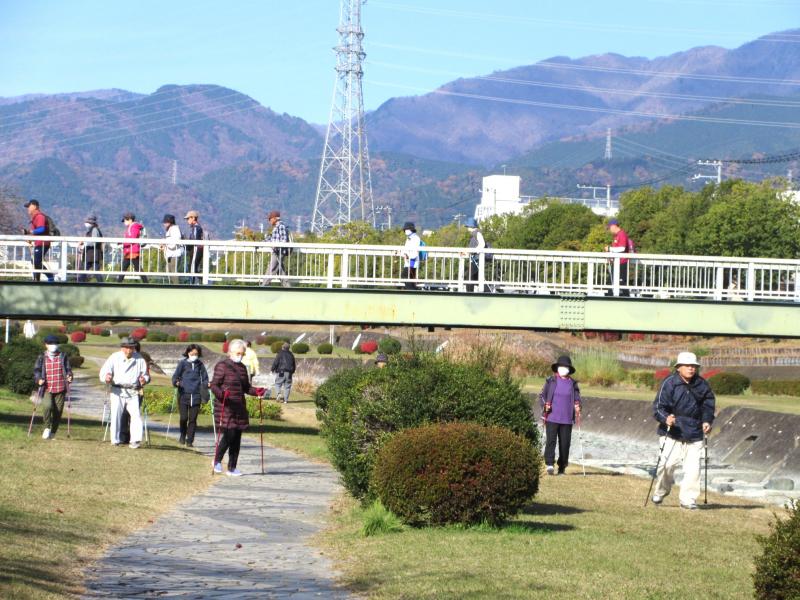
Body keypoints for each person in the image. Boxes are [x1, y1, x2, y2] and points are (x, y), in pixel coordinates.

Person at [651, 351, 716, 510]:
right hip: (672, 432)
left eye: (693, 366)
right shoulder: (669, 383)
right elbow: (658, 407)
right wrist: (666, 418)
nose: (691, 368)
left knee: (693, 470)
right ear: (678, 367)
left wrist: (707, 421)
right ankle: (661, 491)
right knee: (666, 465)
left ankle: (688, 500)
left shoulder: (702, 384)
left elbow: (708, 405)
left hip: (695, 432)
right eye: (687, 365)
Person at [210, 339, 265, 476]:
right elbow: (214, 385)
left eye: (242, 353)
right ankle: (216, 460)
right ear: (230, 352)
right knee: (230, 434)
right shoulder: (222, 366)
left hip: (239, 406)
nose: (240, 355)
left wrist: (257, 391)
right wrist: (222, 394)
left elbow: (246, 388)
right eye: (238, 353)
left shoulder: (242, 368)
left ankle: (232, 467)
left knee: (237, 437)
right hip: (226, 405)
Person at [99, 337, 150, 448]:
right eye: (126, 348)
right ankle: (115, 440)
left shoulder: (140, 359)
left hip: (133, 391)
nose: (128, 350)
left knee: (136, 416)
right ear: (122, 348)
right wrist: (107, 376)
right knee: (116, 415)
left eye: (131, 348)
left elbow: (146, 375)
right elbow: (105, 371)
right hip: (117, 391)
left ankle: (135, 440)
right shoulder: (114, 357)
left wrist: (144, 379)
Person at [539, 355, 582, 475]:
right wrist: (545, 405)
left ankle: (562, 467)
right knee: (551, 441)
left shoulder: (573, 384)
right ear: (557, 368)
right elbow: (542, 395)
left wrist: (578, 406)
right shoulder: (551, 381)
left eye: (565, 367)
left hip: (567, 419)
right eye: (561, 366)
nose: (563, 368)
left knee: (565, 444)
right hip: (552, 417)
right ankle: (549, 464)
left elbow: (577, 398)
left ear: (569, 369)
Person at [32, 334, 73, 439]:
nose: (53, 345)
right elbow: (37, 370)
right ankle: (47, 428)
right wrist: (38, 379)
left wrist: (69, 376)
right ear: (46, 345)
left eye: (55, 343)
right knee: (47, 407)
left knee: (58, 411)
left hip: (60, 388)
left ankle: (53, 432)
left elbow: (68, 369)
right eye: (51, 343)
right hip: (46, 388)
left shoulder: (63, 356)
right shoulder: (42, 357)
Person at [172, 344, 209, 447]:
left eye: (196, 354)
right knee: (184, 418)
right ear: (188, 353)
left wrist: (206, 384)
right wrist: (176, 382)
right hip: (184, 394)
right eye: (192, 353)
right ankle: (182, 435)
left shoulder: (200, 364)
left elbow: (205, 378)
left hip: (196, 395)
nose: (194, 355)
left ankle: (190, 440)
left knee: (193, 419)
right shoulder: (182, 363)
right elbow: (175, 376)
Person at [22, 199, 54, 282]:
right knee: (35, 261)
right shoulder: (34, 218)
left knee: (36, 261)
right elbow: (35, 232)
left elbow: (41, 229)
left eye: (29, 206)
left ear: (35, 206)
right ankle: (37, 280)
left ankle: (50, 276)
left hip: (43, 243)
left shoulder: (40, 216)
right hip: (39, 243)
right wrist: (30, 238)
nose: (28, 208)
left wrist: (29, 232)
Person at [604, 218, 633, 297]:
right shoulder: (617, 236)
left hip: (622, 263)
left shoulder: (622, 234)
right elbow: (616, 249)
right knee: (611, 282)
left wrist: (609, 249)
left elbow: (622, 248)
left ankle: (625, 299)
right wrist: (610, 255)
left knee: (621, 283)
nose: (609, 230)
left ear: (614, 226)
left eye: (609, 227)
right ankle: (609, 297)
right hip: (617, 263)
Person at [117, 213, 149, 283]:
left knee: (133, 267)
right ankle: (146, 282)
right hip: (130, 250)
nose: (124, 222)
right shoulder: (132, 227)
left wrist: (122, 242)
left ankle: (146, 283)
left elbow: (132, 239)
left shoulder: (134, 227)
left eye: (125, 220)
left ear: (130, 220)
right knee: (125, 267)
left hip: (132, 251)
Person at [262, 210, 291, 287]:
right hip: (277, 251)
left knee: (272, 268)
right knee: (280, 271)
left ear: (275, 218)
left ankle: (263, 287)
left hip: (279, 252)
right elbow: (272, 239)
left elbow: (283, 240)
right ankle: (288, 288)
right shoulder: (276, 227)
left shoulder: (281, 226)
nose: (269, 221)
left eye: (270, 219)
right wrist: (261, 243)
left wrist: (275, 246)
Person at [77, 214, 103, 283]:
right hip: (90, 254)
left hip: (93, 254)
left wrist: (84, 243)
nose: (87, 224)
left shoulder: (94, 230)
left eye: (88, 222)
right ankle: (80, 283)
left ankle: (102, 284)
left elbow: (94, 241)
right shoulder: (91, 230)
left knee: (93, 271)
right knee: (88, 270)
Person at [464, 217, 486, 293]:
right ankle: (473, 292)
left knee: (469, 276)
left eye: (467, 226)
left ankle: (469, 293)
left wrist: (474, 251)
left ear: (471, 226)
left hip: (477, 260)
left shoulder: (477, 233)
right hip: (475, 259)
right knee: (474, 277)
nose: (467, 228)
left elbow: (482, 244)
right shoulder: (474, 234)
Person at [161, 214, 184, 283]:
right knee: (169, 270)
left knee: (173, 271)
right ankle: (172, 285)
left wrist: (166, 244)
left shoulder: (174, 229)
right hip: (171, 253)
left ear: (170, 222)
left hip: (175, 253)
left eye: (166, 222)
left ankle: (176, 286)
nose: (164, 224)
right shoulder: (170, 229)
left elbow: (176, 239)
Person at [183, 210, 204, 284]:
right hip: (196, 250)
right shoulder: (195, 228)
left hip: (196, 249)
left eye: (188, 218)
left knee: (192, 267)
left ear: (193, 218)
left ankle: (193, 283)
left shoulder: (196, 228)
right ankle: (198, 280)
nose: (187, 220)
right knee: (193, 267)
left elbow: (194, 240)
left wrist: (187, 244)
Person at [400, 221, 421, 290]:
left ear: (411, 229)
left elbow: (415, 251)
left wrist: (409, 256)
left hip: (412, 262)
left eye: (407, 229)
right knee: (409, 278)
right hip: (408, 262)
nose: (405, 231)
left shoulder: (416, 238)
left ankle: (412, 291)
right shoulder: (409, 238)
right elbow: (406, 249)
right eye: (405, 229)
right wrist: (402, 253)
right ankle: (413, 290)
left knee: (405, 276)